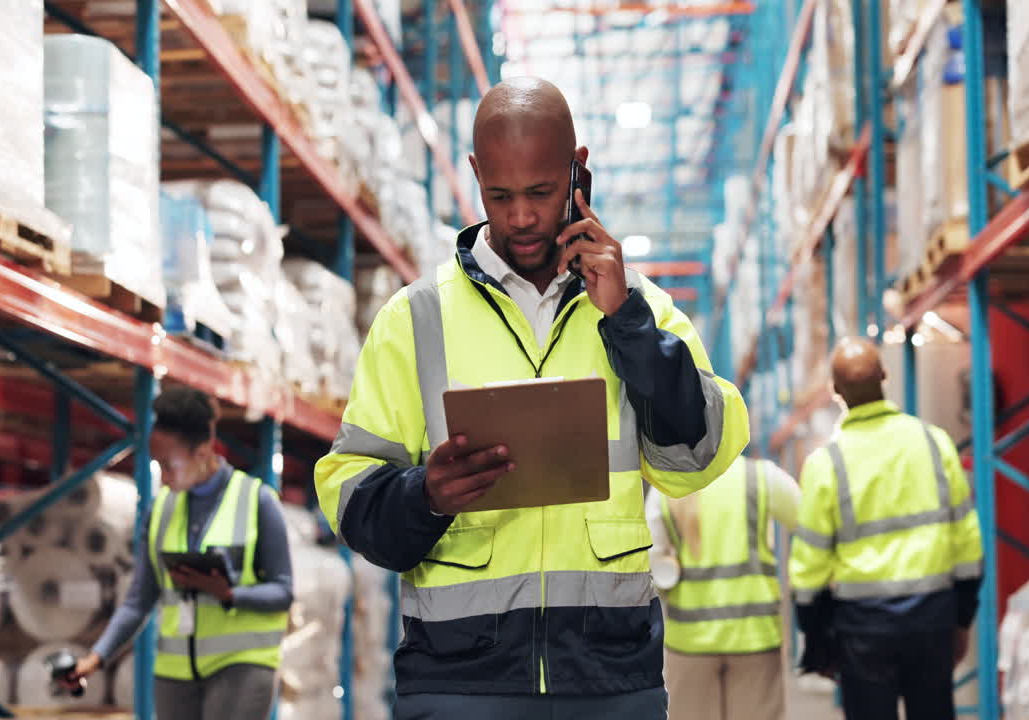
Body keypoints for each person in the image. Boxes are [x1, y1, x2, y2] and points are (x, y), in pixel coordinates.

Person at [314, 77, 750, 719]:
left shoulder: (641, 309)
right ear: (474, 173)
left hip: (608, 678)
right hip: (460, 682)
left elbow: (700, 455)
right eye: (500, 195)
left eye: (542, 194)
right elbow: (350, 495)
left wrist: (625, 322)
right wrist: (424, 495)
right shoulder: (416, 320)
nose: (520, 217)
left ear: (578, 172)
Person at [61, 386, 294, 719]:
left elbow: (283, 592)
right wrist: (95, 659)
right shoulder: (160, 511)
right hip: (175, 673)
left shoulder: (257, 501)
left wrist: (229, 594)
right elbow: (138, 600)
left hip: (242, 665)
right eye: (158, 465)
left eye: (170, 466)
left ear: (202, 453)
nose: (164, 477)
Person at [790, 337, 984, 720]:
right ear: (885, 376)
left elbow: (809, 562)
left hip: (862, 629)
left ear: (835, 391)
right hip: (932, 619)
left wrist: (813, 632)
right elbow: (967, 540)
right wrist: (961, 618)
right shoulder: (934, 443)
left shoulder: (826, 464)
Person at [645, 454, 800, 720]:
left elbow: (651, 563)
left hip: (690, 643)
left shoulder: (667, 487)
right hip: (755, 637)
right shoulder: (762, 478)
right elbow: (810, 523)